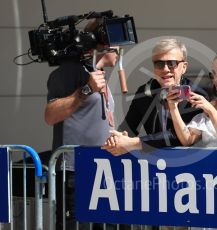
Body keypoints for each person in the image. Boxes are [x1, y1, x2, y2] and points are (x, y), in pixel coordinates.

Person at [45, 18, 118, 229]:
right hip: (75, 171)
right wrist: (86, 90)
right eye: (114, 42)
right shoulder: (70, 71)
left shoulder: (95, 73)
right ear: (100, 43)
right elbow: (50, 115)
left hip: (102, 169)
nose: (119, 49)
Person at [102, 38, 209, 155]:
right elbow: (129, 127)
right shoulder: (144, 91)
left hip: (190, 166)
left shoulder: (197, 95)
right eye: (159, 64)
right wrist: (118, 138)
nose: (165, 69)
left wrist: (134, 143)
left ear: (184, 67)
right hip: (152, 165)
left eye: (172, 64)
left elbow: (179, 137)